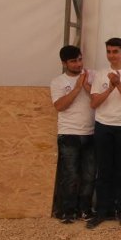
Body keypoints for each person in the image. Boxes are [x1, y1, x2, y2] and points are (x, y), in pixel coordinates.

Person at [87, 37, 121, 229]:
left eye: (115, 51)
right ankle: (102, 211)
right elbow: (93, 103)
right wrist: (110, 87)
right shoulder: (101, 74)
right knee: (104, 170)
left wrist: (118, 84)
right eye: (108, 52)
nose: (111, 56)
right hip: (103, 125)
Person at [51, 45, 96, 224]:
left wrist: (87, 86)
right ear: (64, 63)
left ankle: (85, 209)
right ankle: (67, 211)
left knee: (89, 174)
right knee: (70, 175)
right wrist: (77, 88)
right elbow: (59, 106)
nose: (78, 64)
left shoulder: (91, 76)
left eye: (79, 59)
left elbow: (99, 101)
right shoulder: (58, 82)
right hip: (68, 133)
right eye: (73, 61)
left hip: (91, 132)